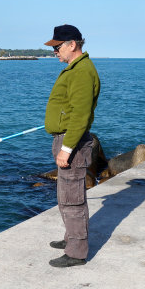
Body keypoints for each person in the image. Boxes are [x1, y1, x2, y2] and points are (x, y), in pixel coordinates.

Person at [44, 24, 100, 267]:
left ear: (72, 44)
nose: (54, 52)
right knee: (66, 196)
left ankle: (76, 252)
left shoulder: (81, 71)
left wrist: (66, 149)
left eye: (57, 47)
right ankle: (71, 239)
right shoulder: (75, 68)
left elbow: (79, 114)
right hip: (66, 138)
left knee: (73, 199)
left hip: (72, 142)